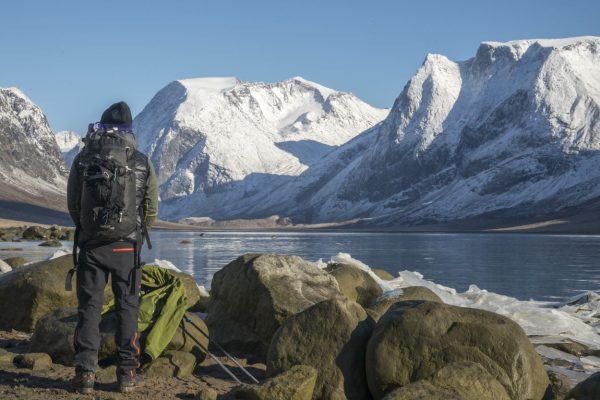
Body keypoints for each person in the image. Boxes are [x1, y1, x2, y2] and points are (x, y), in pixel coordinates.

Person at [67, 102, 158, 394]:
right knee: (127, 309)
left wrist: (89, 230)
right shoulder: (141, 160)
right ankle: (128, 374)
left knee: (90, 309)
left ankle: (85, 376)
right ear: (130, 130)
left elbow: (74, 204)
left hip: (92, 246)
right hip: (126, 248)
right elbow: (151, 206)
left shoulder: (83, 158)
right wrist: (136, 234)